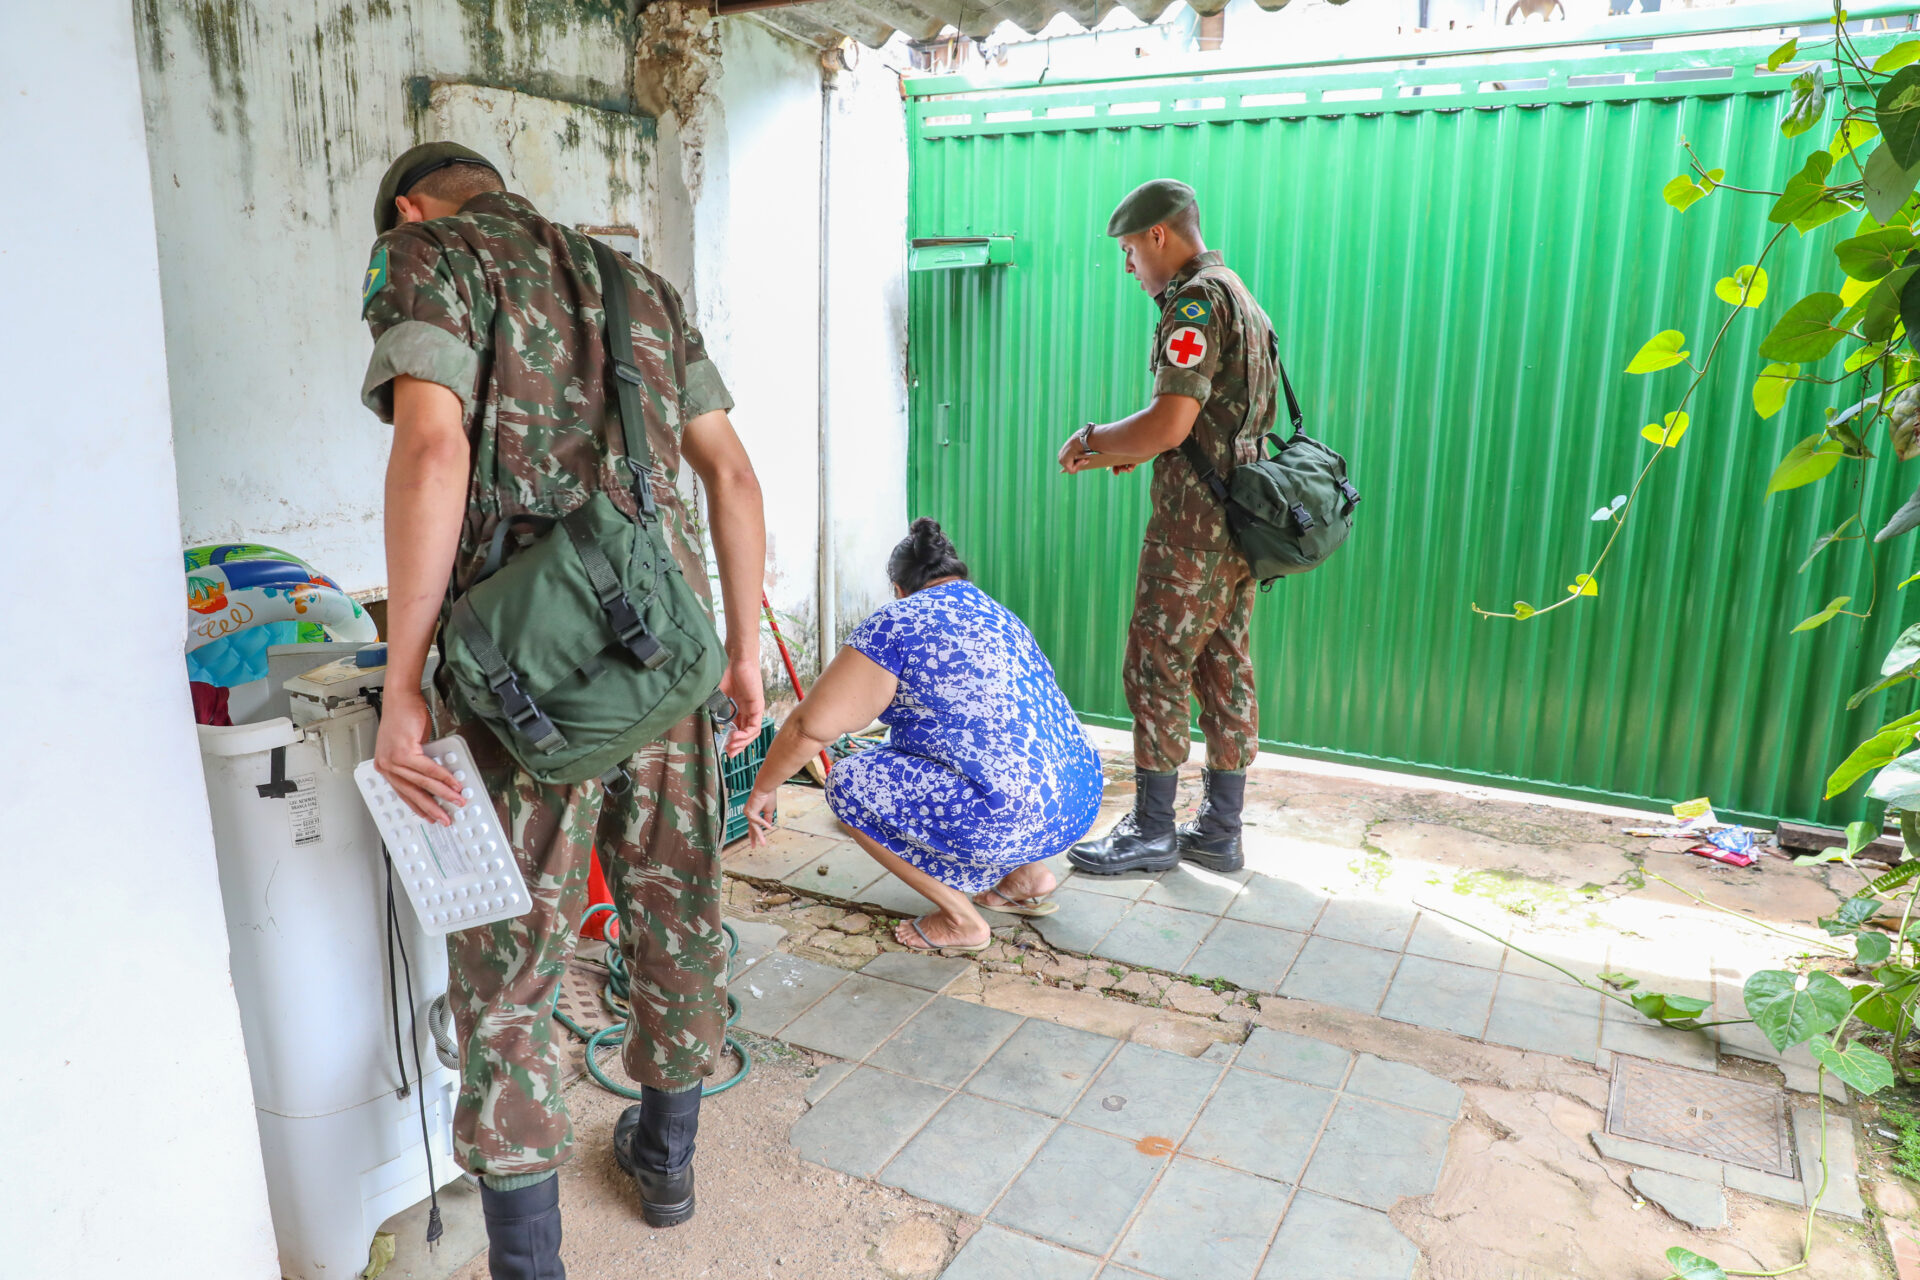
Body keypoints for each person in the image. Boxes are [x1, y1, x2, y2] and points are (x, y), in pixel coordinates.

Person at [360, 141, 767, 1275]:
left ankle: (530, 1260)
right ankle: (668, 1161)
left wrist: (401, 684)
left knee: (512, 959)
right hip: (670, 645)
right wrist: (743, 653)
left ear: (408, 205)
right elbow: (730, 472)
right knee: (675, 904)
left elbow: (433, 444)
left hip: (520, 684)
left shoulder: (425, 256)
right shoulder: (636, 282)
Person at [740, 519, 1102, 952]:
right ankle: (1027, 876)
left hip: (1010, 818)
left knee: (850, 781)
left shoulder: (898, 622)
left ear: (898, 587)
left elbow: (808, 727)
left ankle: (961, 920)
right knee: (995, 753)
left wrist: (764, 787)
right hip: (1078, 799)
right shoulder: (995, 611)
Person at [1055, 178, 1277, 879]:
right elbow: (1211, 426)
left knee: (1156, 665)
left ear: (1159, 235)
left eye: (1129, 249)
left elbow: (1170, 421)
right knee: (1223, 666)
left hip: (1193, 533)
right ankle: (1219, 829)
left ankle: (1152, 830)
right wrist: (1137, 450)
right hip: (1238, 522)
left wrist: (1094, 439)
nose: (1127, 266)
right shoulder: (1237, 291)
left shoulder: (1193, 301)